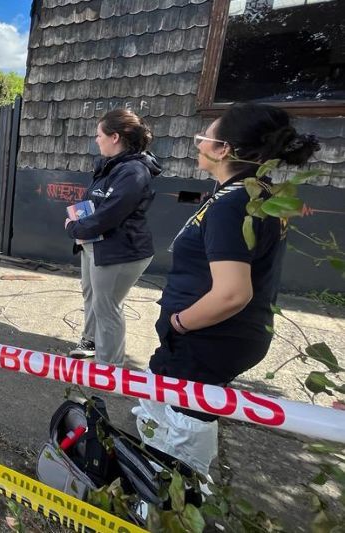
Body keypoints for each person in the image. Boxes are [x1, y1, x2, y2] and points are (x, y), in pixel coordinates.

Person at [132, 103, 320, 475]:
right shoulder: (255, 195)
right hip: (223, 337)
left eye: (205, 137)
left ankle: (175, 501)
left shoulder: (233, 204)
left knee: (182, 428)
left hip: (208, 337)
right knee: (166, 403)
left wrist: (181, 323)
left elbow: (232, 293)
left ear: (224, 149)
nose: (198, 143)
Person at [64, 109, 161, 365]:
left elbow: (109, 215)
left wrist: (75, 228)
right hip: (95, 244)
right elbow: (95, 202)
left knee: (107, 307)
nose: (96, 140)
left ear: (114, 137)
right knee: (91, 295)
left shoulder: (133, 172)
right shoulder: (111, 165)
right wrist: (79, 223)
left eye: (99, 135)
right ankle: (91, 341)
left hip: (120, 251)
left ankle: (110, 369)